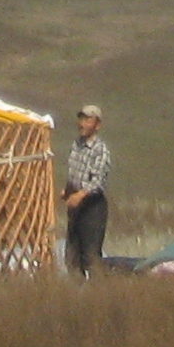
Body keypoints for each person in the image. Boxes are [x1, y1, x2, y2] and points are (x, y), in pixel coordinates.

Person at [60, 104, 111, 278]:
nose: (82, 123)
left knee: (90, 256)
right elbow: (74, 171)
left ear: (97, 125)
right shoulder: (77, 145)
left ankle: (97, 295)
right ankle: (77, 294)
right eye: (81, 119)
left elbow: (98, 181)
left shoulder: (100, 149)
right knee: (72, 255)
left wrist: (80, 195)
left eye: (88, 120)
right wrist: (67, 190)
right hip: (75, 206)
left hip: (92, 207)